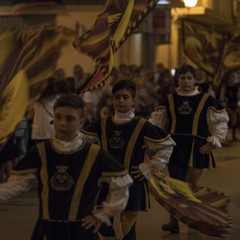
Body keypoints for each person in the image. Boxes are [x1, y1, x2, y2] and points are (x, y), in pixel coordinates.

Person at [0, 93, 133, 240]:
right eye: (58, 117)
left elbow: (122, 182)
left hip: (82, 229)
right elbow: (15, 185)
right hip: (47, 229)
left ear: (81, 122)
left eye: (69, 118)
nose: (62, 123)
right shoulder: (40, 152)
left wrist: (102, 215)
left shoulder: (94, 154)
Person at [82, 80, 176, 240]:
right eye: (117, 97)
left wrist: (149, 167)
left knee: (128, 231)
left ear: (133, 101)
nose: (121, 101)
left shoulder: (142, 125)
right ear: (112, 100)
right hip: (106, 183)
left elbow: (167, 144)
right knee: (104, 228)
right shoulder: (102, 124)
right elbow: (81, 141)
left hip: (132, 183)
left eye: (125, 97)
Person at [149, 64, 229, 234]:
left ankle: (192, 219)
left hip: (197, 148)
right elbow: (157, 123)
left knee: (191, 187)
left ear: (195, 80)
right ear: (177, 79)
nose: (186, 81)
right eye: (182, 78)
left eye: (189, 78)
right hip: (175, 147)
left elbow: (219, 122)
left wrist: (213, 142)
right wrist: (155, 143)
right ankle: (174, 221)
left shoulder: (207, 99)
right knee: (176, 186)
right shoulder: (169, 99)